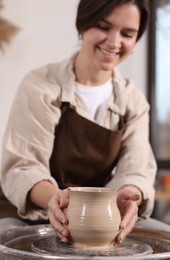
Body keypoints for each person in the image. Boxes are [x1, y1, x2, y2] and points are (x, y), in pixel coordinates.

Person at [0, 0, 157, 245]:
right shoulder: (41, 85)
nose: (114, 42)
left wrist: (131, 196)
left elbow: (136, 171)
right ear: (82, 24)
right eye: (104, 27)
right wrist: (57, 200)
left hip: (96, 216)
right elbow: (23, 166)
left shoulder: (133, 102)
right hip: (33, 212)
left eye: (127, 33)